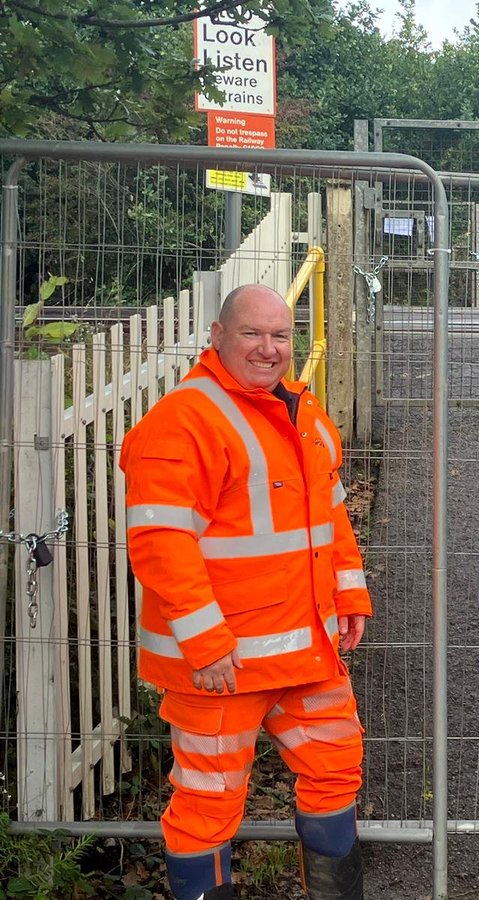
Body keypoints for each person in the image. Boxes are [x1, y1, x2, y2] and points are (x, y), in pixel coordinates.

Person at [120, 284, 373, 900]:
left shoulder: (301, 412)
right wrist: (205, 644)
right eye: (252, 334)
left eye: (280, 336)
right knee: (207, 806)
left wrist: (349, 596)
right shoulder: (184, 419)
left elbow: (330, 518)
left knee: (336, 772)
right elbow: (161, 543)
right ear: (216, 336)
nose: (269, 349)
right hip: (221, 665)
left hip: (306, 649)